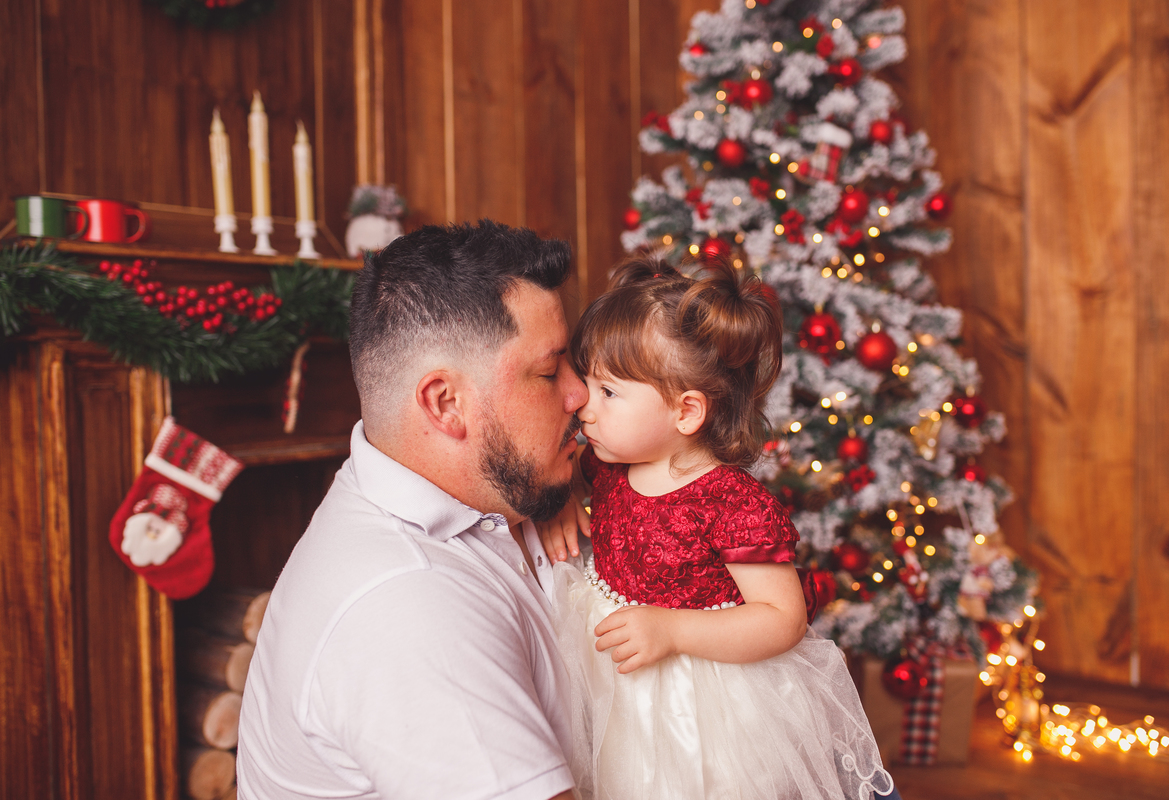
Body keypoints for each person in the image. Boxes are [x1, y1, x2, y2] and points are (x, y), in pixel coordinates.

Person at [237, 220, 587, 800]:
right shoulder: (407, 602)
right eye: (549, 372)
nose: (579, 394)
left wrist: (551, 487)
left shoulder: (487, 498)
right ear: (445, 403)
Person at [540, 254, 894, 800]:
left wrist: (674, 630)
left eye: (609, 392)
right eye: (588, 381)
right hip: (612, 678)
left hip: (702, 697)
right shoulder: (608, 464)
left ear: (686, 413)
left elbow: (781, 618)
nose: (584, 403)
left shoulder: (730, 504)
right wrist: (562, 498)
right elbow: (573, 482)